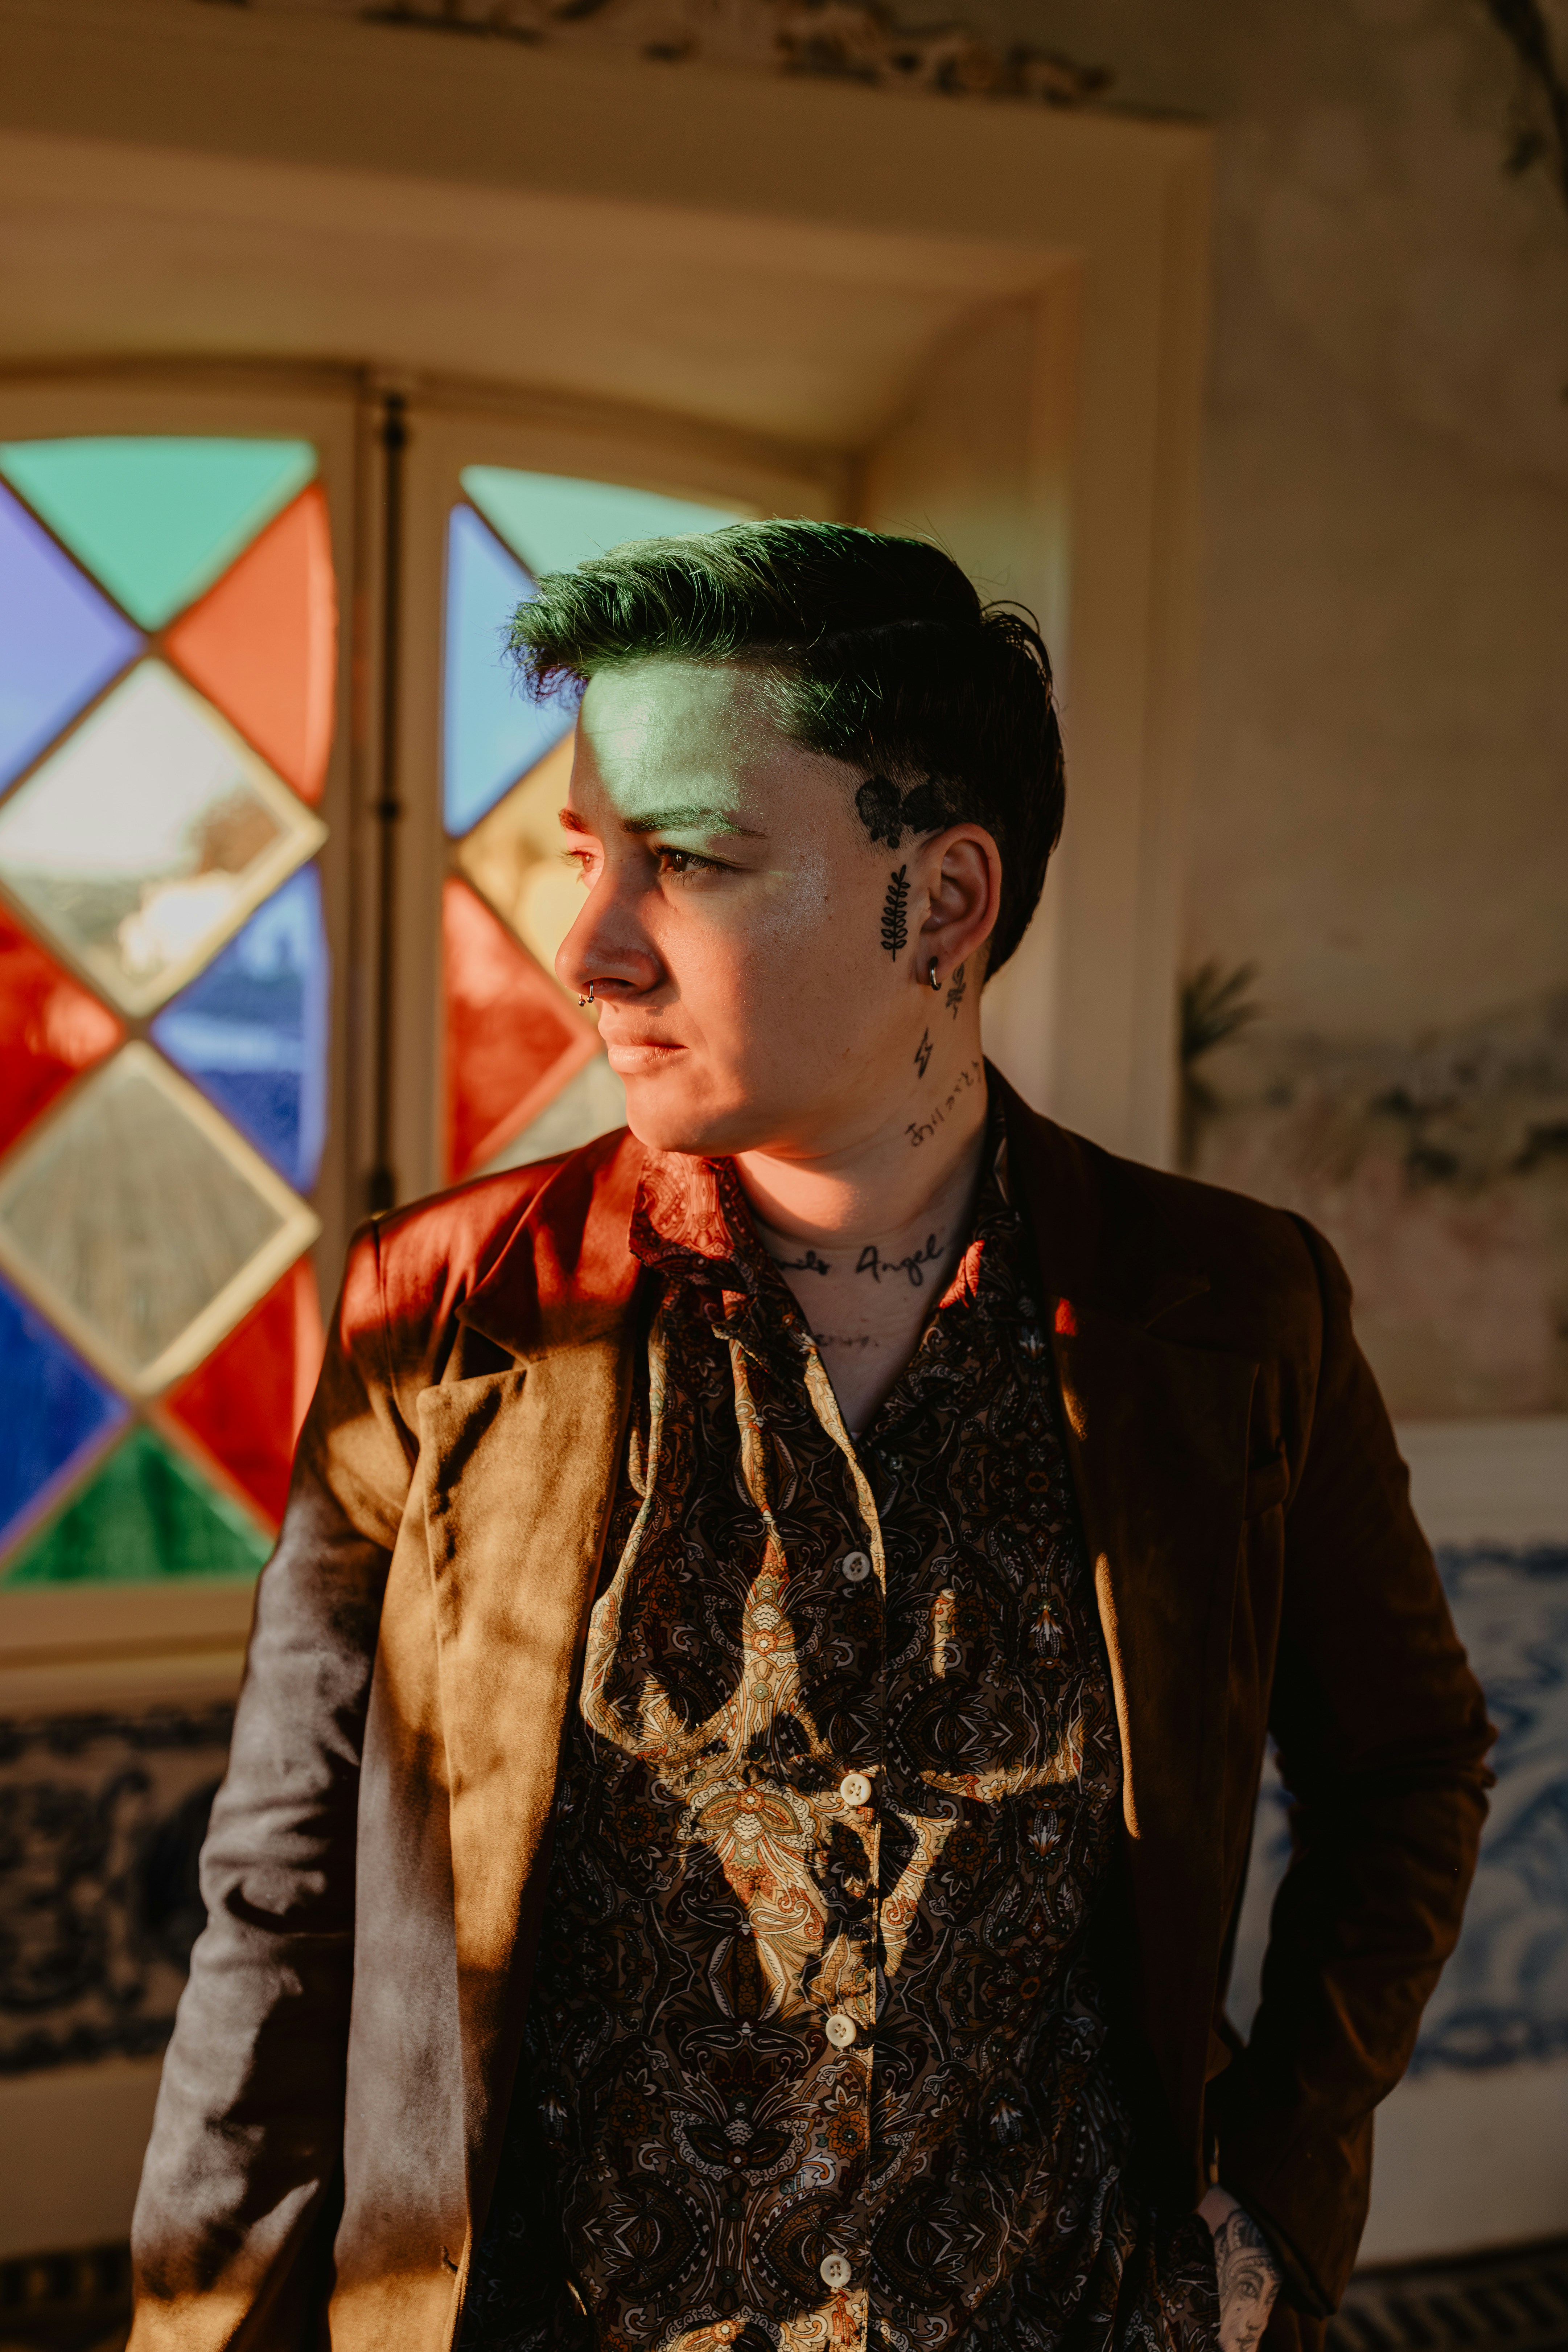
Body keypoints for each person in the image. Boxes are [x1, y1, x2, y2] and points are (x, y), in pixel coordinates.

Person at [128, 524, 1491, 2352]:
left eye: (685, 861)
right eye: (588, 857)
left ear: (940, 903)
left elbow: (1407, 1769)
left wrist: (1268, 2206)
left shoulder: (1232, 1317)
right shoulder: (444, 1317)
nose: (589, 947)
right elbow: (284, 1900)